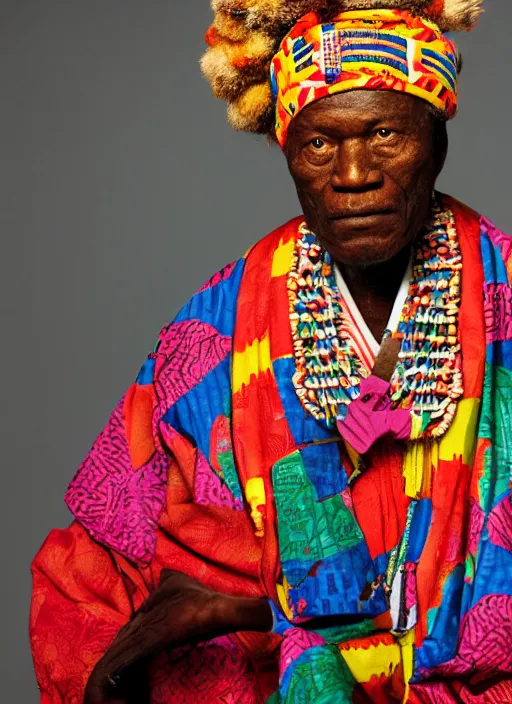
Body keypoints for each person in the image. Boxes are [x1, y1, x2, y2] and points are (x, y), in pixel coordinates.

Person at [30, 1, 512, 702]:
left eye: (384, 133)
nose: (353, 173)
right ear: (286, 150)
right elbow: (94, 570)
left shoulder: (504, 301)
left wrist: (244, 607)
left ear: (435, 141)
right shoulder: (218, 332)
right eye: (319, 144)